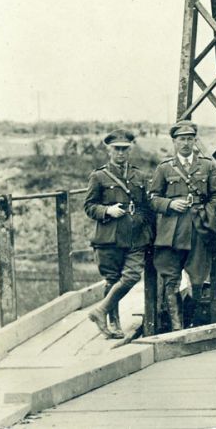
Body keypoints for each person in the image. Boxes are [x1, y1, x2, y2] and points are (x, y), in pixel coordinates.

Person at [148, 120, 216, 331]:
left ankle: (190, 318)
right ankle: (176, 325)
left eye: (190, 139)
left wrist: (208, 214)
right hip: (171, 231)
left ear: (194, 141)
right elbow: (153, 198)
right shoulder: (164, 168)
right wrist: (170, 203)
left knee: (199, 276)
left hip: (198, 229)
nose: (185, 143)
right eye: (181, 139)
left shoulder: (207, 166)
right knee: (170, 276)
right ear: (174, 142)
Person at [83, 129, 153, 338]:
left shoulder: (139, 175)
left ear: (130, 149)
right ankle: (113, 323)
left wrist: (139, 219)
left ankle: (100, 310)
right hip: (109, 237)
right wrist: (107, 211)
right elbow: (89, 206)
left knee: (131, 275)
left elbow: (145, 206)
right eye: (116, 149)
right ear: (109, 150)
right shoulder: (99, 176)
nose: (121, 153)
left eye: (124, 149)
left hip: (135, 236)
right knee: (112, 280)